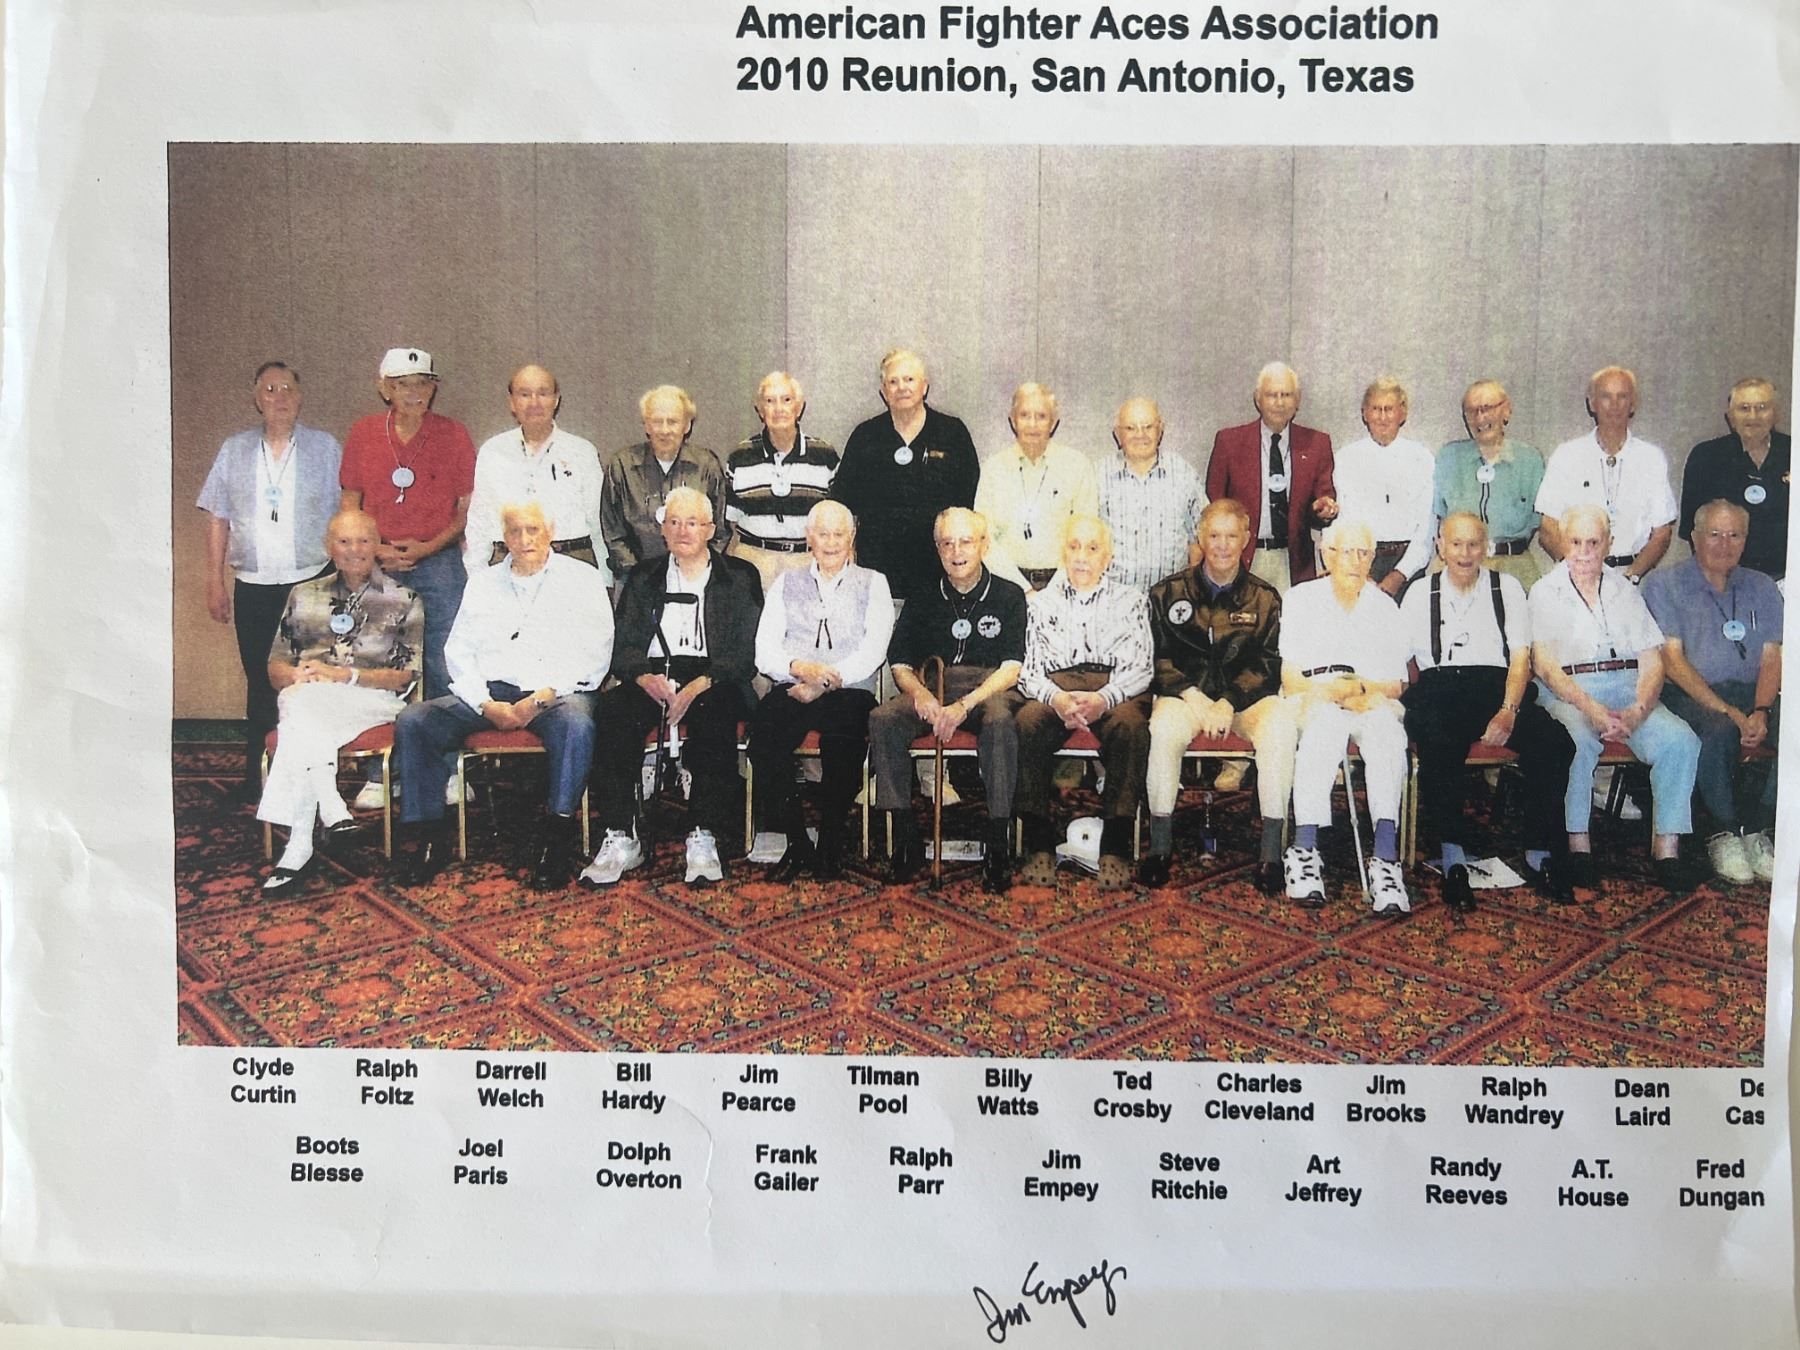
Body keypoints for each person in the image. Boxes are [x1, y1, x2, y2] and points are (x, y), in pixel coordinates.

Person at [392, 502, 612, 890]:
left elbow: (595, 652)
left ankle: (556, 840)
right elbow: (458, 652)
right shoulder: (482, 583)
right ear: (503, 537)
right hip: (492, 693)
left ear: (551, 531)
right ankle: (428, 838)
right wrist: (484, 703)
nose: (524, 539)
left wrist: (541, 698)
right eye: (514, 531)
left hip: (556, 694)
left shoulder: (583, 578)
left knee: (577, 725)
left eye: (533, 530)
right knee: (416, 720)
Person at [585, 486, 764, 888]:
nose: (683, 531)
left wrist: (700, 684)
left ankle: (703, 833)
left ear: (711, 530)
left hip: (714, 677)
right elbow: (623, 645)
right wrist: (642, 677)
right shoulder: (643, 577)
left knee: (716, 714)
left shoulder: (740, 577)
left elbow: (744, 653)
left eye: (693, 523)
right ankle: (621, 833)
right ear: (663, 530)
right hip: (653, 675)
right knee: (613, 712)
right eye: (675, 522)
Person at [1400, 513, 1577, 908]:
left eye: (1473, 544)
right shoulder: (1419, 593)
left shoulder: (1507, 588)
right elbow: (1399, 659)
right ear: (1440, 547)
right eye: (1456, 544)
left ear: (1487, 548)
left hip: (1497, 689)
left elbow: (1520, 658)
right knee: (1439, 742)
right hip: (1440, 688)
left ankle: (1539, 851)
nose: (1465, 553)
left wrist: (1508, 710)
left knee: (1555, 742)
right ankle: (1453, 858)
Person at [1529, 504, 1701, 890]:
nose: (1584, 552)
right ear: (1562, 542)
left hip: (1627, 686)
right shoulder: (1544, 592)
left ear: (1608, 543)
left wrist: (1639, 709)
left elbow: (1651, 659)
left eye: (1593, 542)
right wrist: (1591, 708)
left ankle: (1667, 849)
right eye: (1576, 542)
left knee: (1681, 740)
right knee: (1575, 739)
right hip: (1570, 691)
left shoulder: (1625, 589)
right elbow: (1546, 666)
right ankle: (1578, 845)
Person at [197, 360, 343, 797]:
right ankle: (260, 779)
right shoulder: (234, 450)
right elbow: (218, 517)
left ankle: (315, 778)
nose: (280, 398)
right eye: (270, 390)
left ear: (300, 397)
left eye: (287, 389)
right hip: (254, 584)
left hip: (312, 580)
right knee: (261, 681)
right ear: (256, 399)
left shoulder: (325, 448)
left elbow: (346, 511)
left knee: (311, 679)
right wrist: (214, 580)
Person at [256, 511, 421, 893]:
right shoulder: (303, 595)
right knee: (301, 700)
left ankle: (310, 832)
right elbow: (276, 668)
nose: (354, 550)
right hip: (311, 699)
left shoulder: (404, 599)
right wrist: (296, 676)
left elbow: (404, 676)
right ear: (328, 546)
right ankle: (314, 826)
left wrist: (342, 675)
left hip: (374, 699)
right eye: (344, 541)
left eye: (363, 540)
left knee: (299, 705)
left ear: (377, 544)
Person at [1140, 499, 1296, 893]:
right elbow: (1157, 660)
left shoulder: (1265, 598)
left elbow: (1267, 665)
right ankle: (1159, 848)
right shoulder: (1166, 593)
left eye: (1231, 536)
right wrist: (1195, 698)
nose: (1222, 545)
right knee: (1162, 731)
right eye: (1214, 535)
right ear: (1200, 537)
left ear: (1246, 538)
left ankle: (1271, 854)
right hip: (1185, 697)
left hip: (1243, 702)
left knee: (1280, 726)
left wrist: (1228, 701)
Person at [870, 507, 1027, 892]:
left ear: (984, 545)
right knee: (883, 719)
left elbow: (1012, 668)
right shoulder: (924, 595)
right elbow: (899, 661)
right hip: (934, 686)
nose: (957, 552)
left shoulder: (1009, 595)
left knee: (1000, 723)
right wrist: (921, 694)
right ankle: (906, 839)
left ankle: (997, 843)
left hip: (990, 690)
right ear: (937, 548)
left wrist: (964, 705)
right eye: (947, 543)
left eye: (966, 542)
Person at [750, 501, 895, 881]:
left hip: (850, 690)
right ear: (808, 537)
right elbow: (764, 650)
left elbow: (873, 651)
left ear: (852, 536)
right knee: (764, 739)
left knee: (842, 742)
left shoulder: (874, 582)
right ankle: (797, 843)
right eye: (823, 534)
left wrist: (824, 681)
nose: (831, 543)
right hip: (794, 684)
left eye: (839, 534)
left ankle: (830, 841)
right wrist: (801, 669)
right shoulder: (786, 582)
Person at [1646, 499, 1782, 884]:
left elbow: (1772, 657)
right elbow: (1672, 661)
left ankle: (1757, 827)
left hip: (1751, 694)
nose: (1725, 544)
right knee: (1716, 730)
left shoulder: (1762, 586)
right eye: (1715, 534)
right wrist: (1728, 711)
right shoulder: (1664, 584)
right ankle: (1722, 831)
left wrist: (1762, 709)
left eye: (1735, 535)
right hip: (1689, 695)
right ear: (1694, 537)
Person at [1279, 519, 1411, 913]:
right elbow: (1290, 677)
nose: (1354, 560)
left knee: (1389, 736)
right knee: (1324, 728)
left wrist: (1365, 690)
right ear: (1327, 554)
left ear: (1373, 559)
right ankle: (1304, 851)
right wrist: (1328, 692)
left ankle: (1386, 859)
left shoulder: (1384, 606)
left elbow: (1398, 683)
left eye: (1363, 553)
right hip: (1314, 694)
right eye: (1345, 551)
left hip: (1370, 697)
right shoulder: (1301, 598)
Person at [1015, 515, 1153, 891]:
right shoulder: (1039, 604)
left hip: (1114, 686)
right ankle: (1038, 840)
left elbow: (1142, 668)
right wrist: (1057, 698)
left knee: (1131, 725)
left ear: (1108, 556)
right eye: (1074, 547)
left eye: (1092, 549)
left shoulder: (1132, 600)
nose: (1081, 557)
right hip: (1057, 687)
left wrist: (1104, 698)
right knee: (1027, 721)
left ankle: (1116, 842)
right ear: (1062, 552)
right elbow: (1028, 671)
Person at [339, 347, 477, 713]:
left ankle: (442, 745)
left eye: (422, 384)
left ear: (433, 389)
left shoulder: (453, 434)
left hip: (440, 562)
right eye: (403, 385)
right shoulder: (364, 432)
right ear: (384, 388)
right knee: (373, 655)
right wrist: (374, 549)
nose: (414, 393)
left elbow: (467, 510)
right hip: (376, 562)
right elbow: (350, 503)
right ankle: (379, 745)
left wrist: (427, 548)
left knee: (445, 658)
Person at [830, 348, 980, 602]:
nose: (902, 388)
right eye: (893, 381)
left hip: (939, 570)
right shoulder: (865, 436)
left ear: (924, 385)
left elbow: (969, 502)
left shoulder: (952, 433)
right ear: (883, 391)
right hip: (877, 571)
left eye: (909, 379)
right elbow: (843, 504)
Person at [464, 364, 609, 583]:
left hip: (571, 561)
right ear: (512, 402)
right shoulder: (492, 452)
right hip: (508, 563)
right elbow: (479, 523)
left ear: (556, 400)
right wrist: (477, 579)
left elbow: (599, 523)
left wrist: (604, 581)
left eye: (543, 393)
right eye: (524, 394)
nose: (534, 403)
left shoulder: (582, 452)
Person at [1536, 366, 1676, 584]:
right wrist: (1579, 573)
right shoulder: (1566, 456)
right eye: (1606, 397)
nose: (1614, 405)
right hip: (1576, 577)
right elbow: (1548, 529)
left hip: (1633, 578)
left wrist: (1631, 578)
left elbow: (1662, 533)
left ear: (1633, 404)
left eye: (1622, 397)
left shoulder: (1652, 458)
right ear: (1592, 403)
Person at [1204, 361, 1337, 590]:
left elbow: (1323, 500)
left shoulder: (1317, 443)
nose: (1279, 402)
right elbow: (1213, 502)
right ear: (1258, 399)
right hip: (1243, 559)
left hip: (1294, 562)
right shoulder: (1229, 442)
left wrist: (1323, 509)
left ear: (1297, 400)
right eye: (1271, 395)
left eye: (1286, 395)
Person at [974, 382, 1098, 592]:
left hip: (1066, 584)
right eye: (1024, 415)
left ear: (1053, 422)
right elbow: (983, 538)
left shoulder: (1077, 466)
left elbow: (1087, 536)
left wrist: (1054, 590)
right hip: (1007, 584)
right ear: (1013, 420)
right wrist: (1023, 589)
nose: (1032, 425)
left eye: (1041, 416)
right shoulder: (993, 469)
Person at [725, 370, 839, 592]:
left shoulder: (824, 455)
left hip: (807, 562)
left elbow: (837, 518)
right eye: (770, 401)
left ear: (799, 407)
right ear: (760, 409)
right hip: (753, 562)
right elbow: (732, 520)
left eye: (786, 400)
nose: (778, 409)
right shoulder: (740, 456)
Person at [600, 384, 727, 575]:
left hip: (694, 576)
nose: (665, 430)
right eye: (657, 422)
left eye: (673, 422)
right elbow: (613, 533)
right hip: (635, 578)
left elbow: (719, 531)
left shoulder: (706, 465)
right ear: (646, 425)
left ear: (687, 426)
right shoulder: (622, 466)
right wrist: (640, 577)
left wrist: (698, 570)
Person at [1432, 378, 1548, 587]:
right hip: (1459, 566)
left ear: (1506, 411)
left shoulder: (1530, 460)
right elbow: (1438, 517)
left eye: (1487, 408)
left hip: (1514, 566)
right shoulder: (1449, 458)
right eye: (1472, 411)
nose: (1480, 417)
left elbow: (1537, 523)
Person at [1679, 378, 1790, 580]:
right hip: (1727, 577)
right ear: (1730, 417)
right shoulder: (1706, 456)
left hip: (1788, 576)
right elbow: (1692, 529)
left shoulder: (1793, 452)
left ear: (1776, 414)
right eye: (1744, 408)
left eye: (1762, 408)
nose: (1753, 416)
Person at [1332, 377, 1433, 597]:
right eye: (1376, 409)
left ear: (1402, 414)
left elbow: (1426, 529)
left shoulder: (1422, 458)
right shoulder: (1346, 459)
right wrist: (1358, 571)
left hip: (1409, 566)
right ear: (1364, 414)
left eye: (1389, 409)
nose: (1383, 417)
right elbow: (1340, 524)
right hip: (1359, 565)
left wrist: (1400, 574)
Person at [1096, 396, 1207, 593]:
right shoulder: (1098, 476)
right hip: (1114, 600)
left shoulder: (1183, 473)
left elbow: (1201, 537)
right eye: (1130, 428)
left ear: (1160, 429)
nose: (1140, 435)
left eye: (1148, 427)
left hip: (1172, 599)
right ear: (1117, 434)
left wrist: (1192, 591)